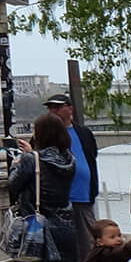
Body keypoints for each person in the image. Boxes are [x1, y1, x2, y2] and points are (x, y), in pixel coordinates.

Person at [11, 113, 96, 262]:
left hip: (41, 227)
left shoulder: (31, 160)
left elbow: (13, 186)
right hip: (66, 225)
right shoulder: (68, 158)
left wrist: (17, 164)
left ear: (41, 134)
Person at [43, 92, 101, 244]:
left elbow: (91, 156)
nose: (52, 111)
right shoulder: (45, 134)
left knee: (87, 241)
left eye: (57, 107)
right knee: (62, 242)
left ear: (69, 109)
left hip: (82, 195)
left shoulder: (83, 133)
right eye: (50, 108)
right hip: (57, 199)